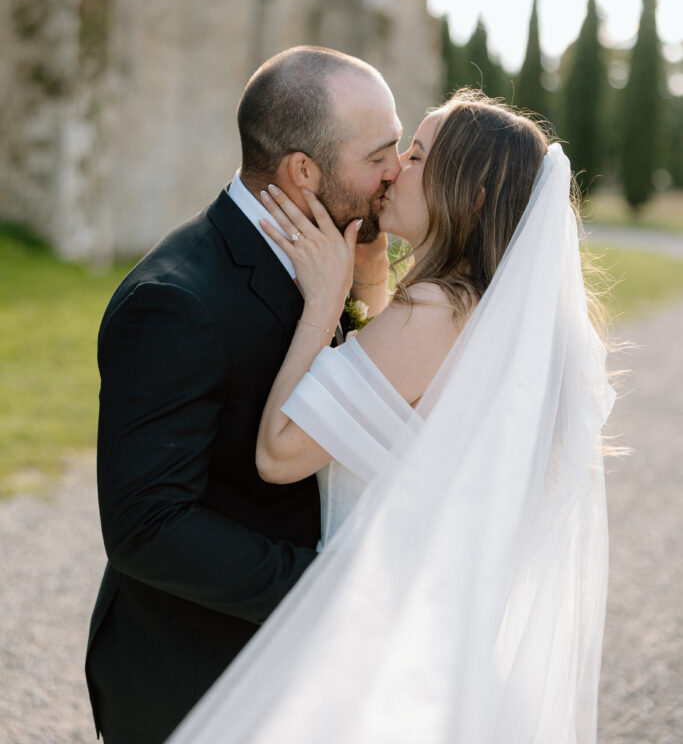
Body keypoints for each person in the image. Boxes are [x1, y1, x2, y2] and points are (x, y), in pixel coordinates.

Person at [167, 90, 615, 744]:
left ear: (471, 197)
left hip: (379, 645)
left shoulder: (434, 310)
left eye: (417, 156)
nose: (394, 170)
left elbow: (279, 452)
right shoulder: (479, 312)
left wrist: (323, 305)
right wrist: (373, 283)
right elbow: (400, 410)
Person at [85, 46, 403, 744]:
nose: (397, 172)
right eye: (379, 154)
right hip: (199, 678)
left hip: (303, 676)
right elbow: (147, 525)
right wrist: (326, 588)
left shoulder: (334, 256)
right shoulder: (175, 303)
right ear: (302, 172)